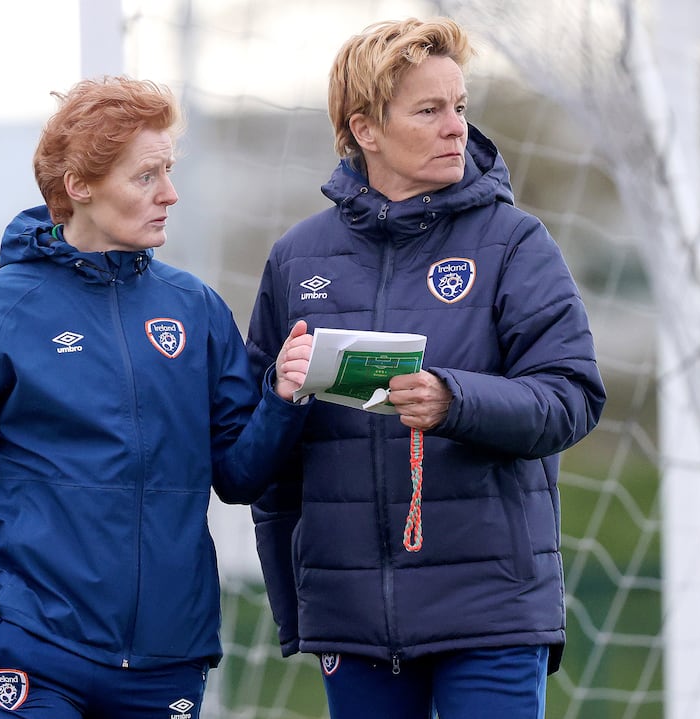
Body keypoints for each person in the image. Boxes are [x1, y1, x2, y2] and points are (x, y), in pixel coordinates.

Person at [0, 76, 313, 719]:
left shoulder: (196, 309)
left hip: (166, 661)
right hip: (31, 646)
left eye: (169, 171)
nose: (170, 194)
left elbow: (237, 476)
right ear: (80, 186)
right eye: (146, 176)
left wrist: (284, 399)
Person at [245, 17, 606, 719]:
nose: (456, 129)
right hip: (352, 620)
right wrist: (303, 607)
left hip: (491, 611)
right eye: (430, 110)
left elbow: (573, 396)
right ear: (366, 129)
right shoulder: (297, 259)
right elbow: (257, 461)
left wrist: (454, 400)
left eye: (461, 108)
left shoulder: (515, 243)